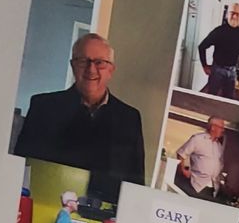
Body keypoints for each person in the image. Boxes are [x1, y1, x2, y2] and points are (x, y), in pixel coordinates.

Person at [12, 31, 146, 181]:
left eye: (100, 62)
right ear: (72, 66)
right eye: (83, 61)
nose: (91, 69)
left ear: (111, 70)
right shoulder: (43, 108)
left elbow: (136, 183)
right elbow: (19, 170)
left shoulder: (129, 119)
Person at [174, 117, 229, 198]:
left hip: (212, 188)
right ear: (213, 127)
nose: (223, 130)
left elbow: (220, 165)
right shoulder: (198, 139)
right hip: (196, 185)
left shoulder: (219, 146)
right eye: (221, 127)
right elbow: (181, 154)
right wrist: (185, 169)